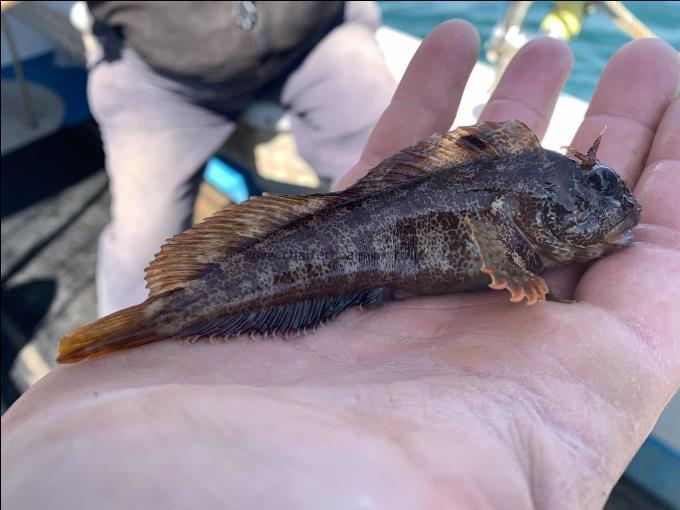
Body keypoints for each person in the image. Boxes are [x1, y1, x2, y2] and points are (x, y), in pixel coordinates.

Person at [2, 20, 679, 510]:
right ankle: (145, 329)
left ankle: (142, 331)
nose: (609, 216)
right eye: (583, 207)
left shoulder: (527, 191)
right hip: (161, 71)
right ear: (525, 211)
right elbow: (492, 229)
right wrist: (516, 269)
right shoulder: (512, 204)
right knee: (153, 239)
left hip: (310, 46)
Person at [85, 1, 397, 316]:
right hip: (157, 75)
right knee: (141, 244)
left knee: (398, 195)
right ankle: (120, 349)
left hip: (318, 38)